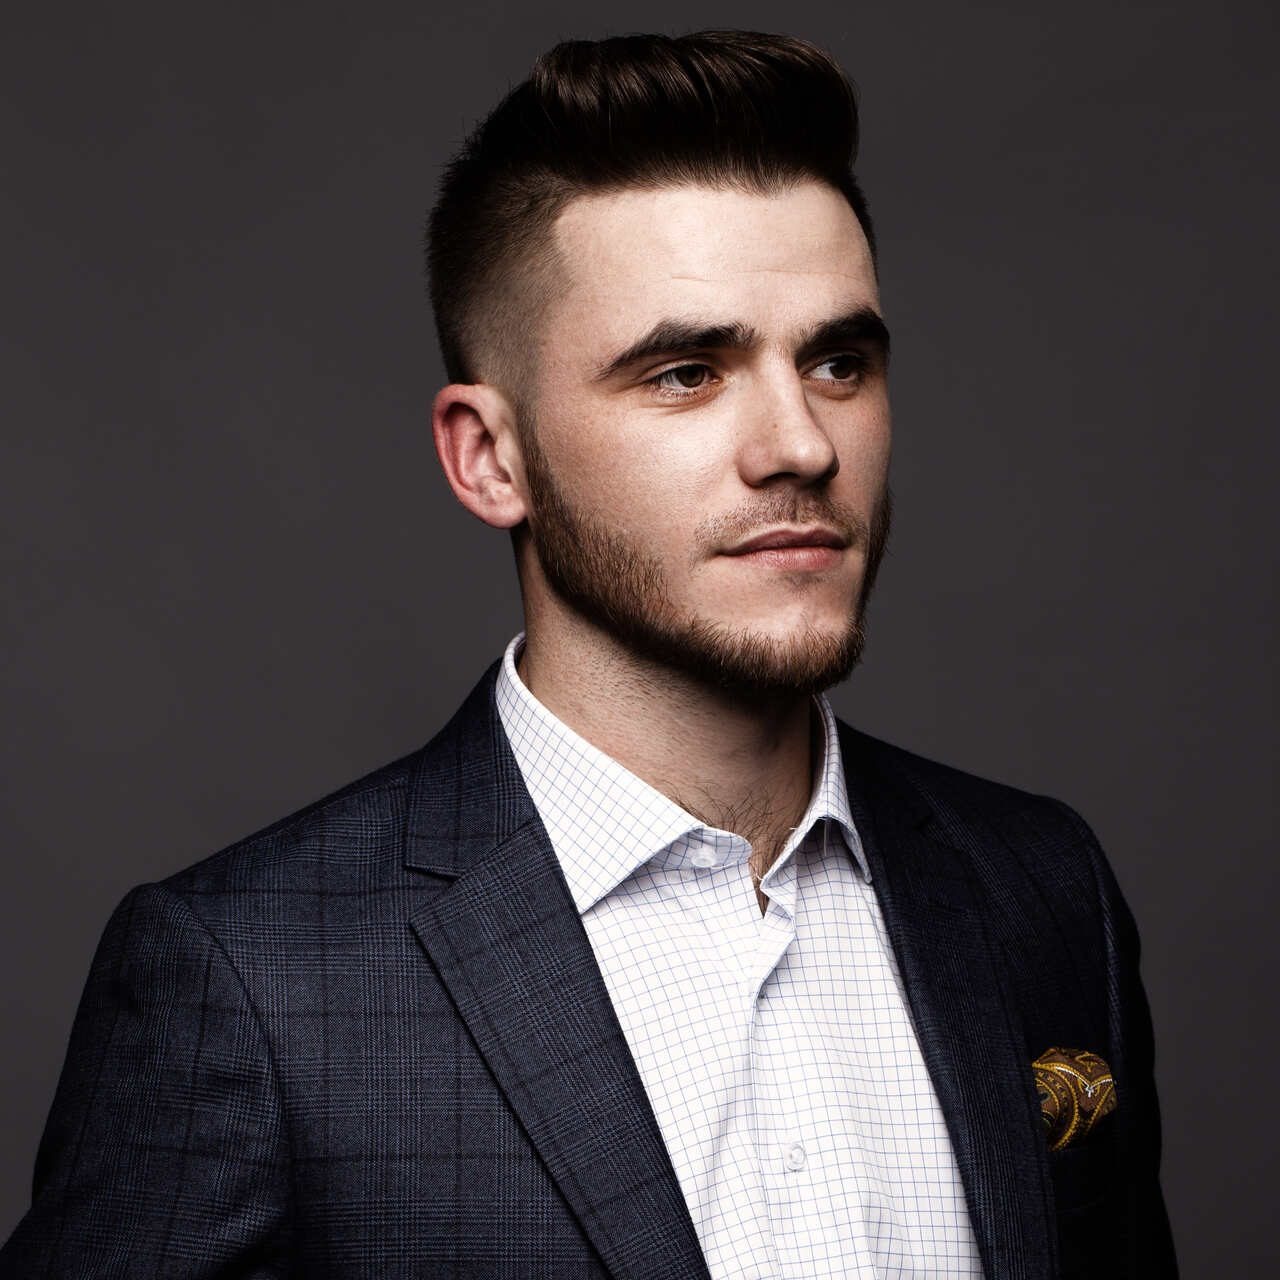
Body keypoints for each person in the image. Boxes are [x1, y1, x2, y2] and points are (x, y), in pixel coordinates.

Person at [0, 30, 1176, 1280]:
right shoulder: (253, 979)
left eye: (838, 361)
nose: (800, 444)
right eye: (685, 373)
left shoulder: (1037, 886)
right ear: (488, 459)